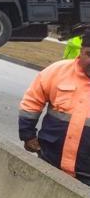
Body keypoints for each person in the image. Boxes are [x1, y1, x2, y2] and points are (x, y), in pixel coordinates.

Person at [19, 29, 90, 185]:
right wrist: (27, 134)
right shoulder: (57, 71)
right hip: (49, 161)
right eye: (89, 54)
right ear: (81, 51)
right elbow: (32, 101)